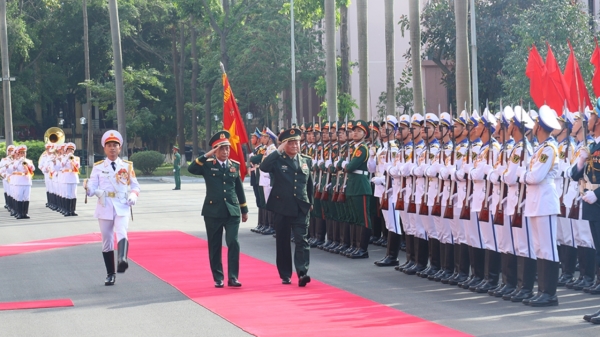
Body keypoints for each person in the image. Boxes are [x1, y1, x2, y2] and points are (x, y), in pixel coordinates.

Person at [188, 130, 248, 288]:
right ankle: (218, 277)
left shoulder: (234, 166)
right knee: (214, 245)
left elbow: (239, 189)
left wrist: (244, 209)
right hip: (213, 211)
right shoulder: (207, 166)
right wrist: (207, 155)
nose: (226, 151)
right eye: (222, 149)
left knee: (233, 242)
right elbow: (191, 169)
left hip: (232, 211)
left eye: (227, 148)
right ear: (215, 150)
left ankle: (233, 277)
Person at [84, 130, 141, 286]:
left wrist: (133, 196)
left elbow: (135, 186)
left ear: (120, 147)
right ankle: (110, 273)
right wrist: (88, 189)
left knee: (122, 232)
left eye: (115, 145)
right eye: (109, 145)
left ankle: (122, 259)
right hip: (105, 205)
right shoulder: (98, 167)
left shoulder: (127, 166)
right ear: (104, 148)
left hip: (122, 204)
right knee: (107, 240)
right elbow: (92, 187)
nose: (112, 148)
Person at [260, 127, 314, 286]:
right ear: (284, 145)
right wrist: (278, 151)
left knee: (302, 240)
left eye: (297, 142)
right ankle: (285, 274)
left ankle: (302, 272)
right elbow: (264, 167)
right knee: (283, 241)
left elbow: (309, 184)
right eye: (291, 143)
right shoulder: (277, 159)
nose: (295, 146)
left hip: (301, 206)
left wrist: (310, 201)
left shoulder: (306, 160)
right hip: (282, 206)